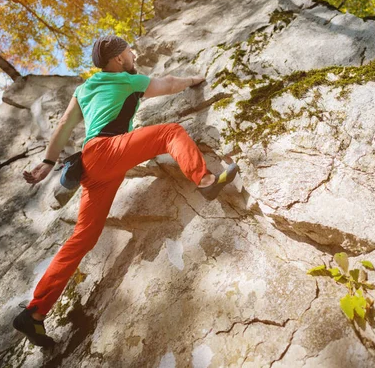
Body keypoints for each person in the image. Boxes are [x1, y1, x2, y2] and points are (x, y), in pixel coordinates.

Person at [13, 35, 238, 347]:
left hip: (93, 165)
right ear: (118, 59)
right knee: (170, 131)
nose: (134, 55)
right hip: (110, 151)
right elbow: (169, 84)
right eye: (130, 52)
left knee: (82, 239)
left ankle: (34, 313)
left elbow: (64, 125)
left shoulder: (84, 89)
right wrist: (193, 79)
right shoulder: (124, 78)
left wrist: (47, 163)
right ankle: (205, 180)